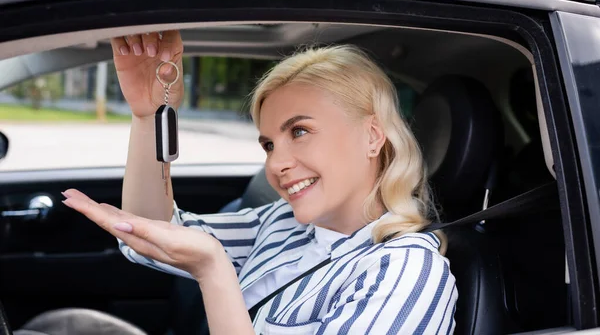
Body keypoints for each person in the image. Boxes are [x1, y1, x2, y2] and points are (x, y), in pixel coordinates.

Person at [61, 30, 458, 334]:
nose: (277, 164)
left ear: (372, 136)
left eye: (300, 131)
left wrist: (213, 270)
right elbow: (154, 237)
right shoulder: (283, 223)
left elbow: (195, 255)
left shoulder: (407, 271)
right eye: (269, 144)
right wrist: (149, 116)